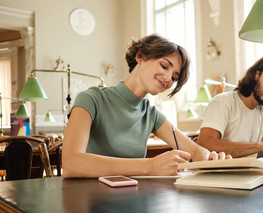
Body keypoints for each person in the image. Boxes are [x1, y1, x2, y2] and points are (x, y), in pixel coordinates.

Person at [62, 34, 230, 178]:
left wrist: (214, 159)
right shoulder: (91, 99)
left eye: (174, 77)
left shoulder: (150, 114)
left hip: (132, 200)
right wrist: (149, 166)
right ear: (140, 57)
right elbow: (71, 163)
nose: (168, 79)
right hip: (89, 203)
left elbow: (195, 152)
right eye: (164, 66)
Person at [197, 55, 263, 158]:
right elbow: (205, 144)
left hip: (250, 172)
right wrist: (261, 145)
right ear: (256, 75)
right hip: (222, 172)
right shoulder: (223, 102)